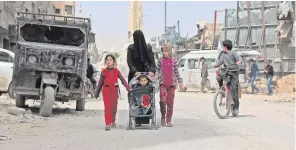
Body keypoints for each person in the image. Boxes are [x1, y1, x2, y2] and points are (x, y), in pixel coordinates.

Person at [94, 54, 130, 131]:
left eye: (110, 60)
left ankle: (113, 121)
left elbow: (123, 80)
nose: (109, 61)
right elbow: (100, 83)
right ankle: (108, 123)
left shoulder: (116, 71)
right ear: (105, 62)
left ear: (114, 62)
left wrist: (128, 88)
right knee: (107, 107)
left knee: (114, 107)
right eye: (107, 60)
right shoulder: (104, 71)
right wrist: (97, 92)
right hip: (106, 90)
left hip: (114, 90)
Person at [212, 40, 242, 114]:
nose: (223, 48)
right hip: (227, 72)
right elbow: (220, 61)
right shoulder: (223, 54)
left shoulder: (233, 53)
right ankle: (222, 91)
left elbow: (239, 58)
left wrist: (238, 62)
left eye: (223, 46)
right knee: (219, 77)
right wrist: (215, 65)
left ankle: (236, 106)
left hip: (234, 73)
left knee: (234, 89)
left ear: (226, 47)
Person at [156, 44, 183, 127]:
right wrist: (156, 76)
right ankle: (163, 117)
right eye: (163, 51)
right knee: (163, 101)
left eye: (166, 51)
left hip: (171, 85)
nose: (164, 52)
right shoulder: (160, 61)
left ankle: (169, 120)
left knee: (170, 103)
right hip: (163, 85)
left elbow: (176, 72)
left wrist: (180, 82)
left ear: (170, 51)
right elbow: (157, 70)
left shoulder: (173, 61)